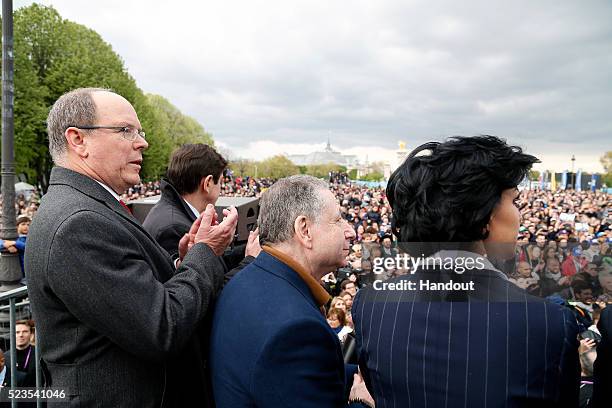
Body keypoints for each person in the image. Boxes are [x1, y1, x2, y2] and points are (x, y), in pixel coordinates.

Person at [25, 88, 238, 407]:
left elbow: (131, 297)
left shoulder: (85, 205)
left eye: (139, 131)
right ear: (78, 140)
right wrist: (205, 254)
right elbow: (161, 328)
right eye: (125, 130)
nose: (142, 142)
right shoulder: (79, 223)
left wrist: (185, 261)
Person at [352, 136, 580, 407]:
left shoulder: (370, 304)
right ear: (484, 217)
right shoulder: (549, 322)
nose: (518, 214)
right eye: (514, 201)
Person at [210, 175, 373, 407]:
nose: (350, 232)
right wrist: (362, 401)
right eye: (338, 220)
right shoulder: (296, 329)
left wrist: (363, 374)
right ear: (304, 229)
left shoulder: (246, 279)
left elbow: (304, 376)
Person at [143, 144, 261, 281]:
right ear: (208, 183)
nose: (221, 190)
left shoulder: (171, 213)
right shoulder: (174, 227)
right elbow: (200, 286)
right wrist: (250, 260)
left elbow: (211, 265)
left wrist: (247, 248)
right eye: (220, 183)